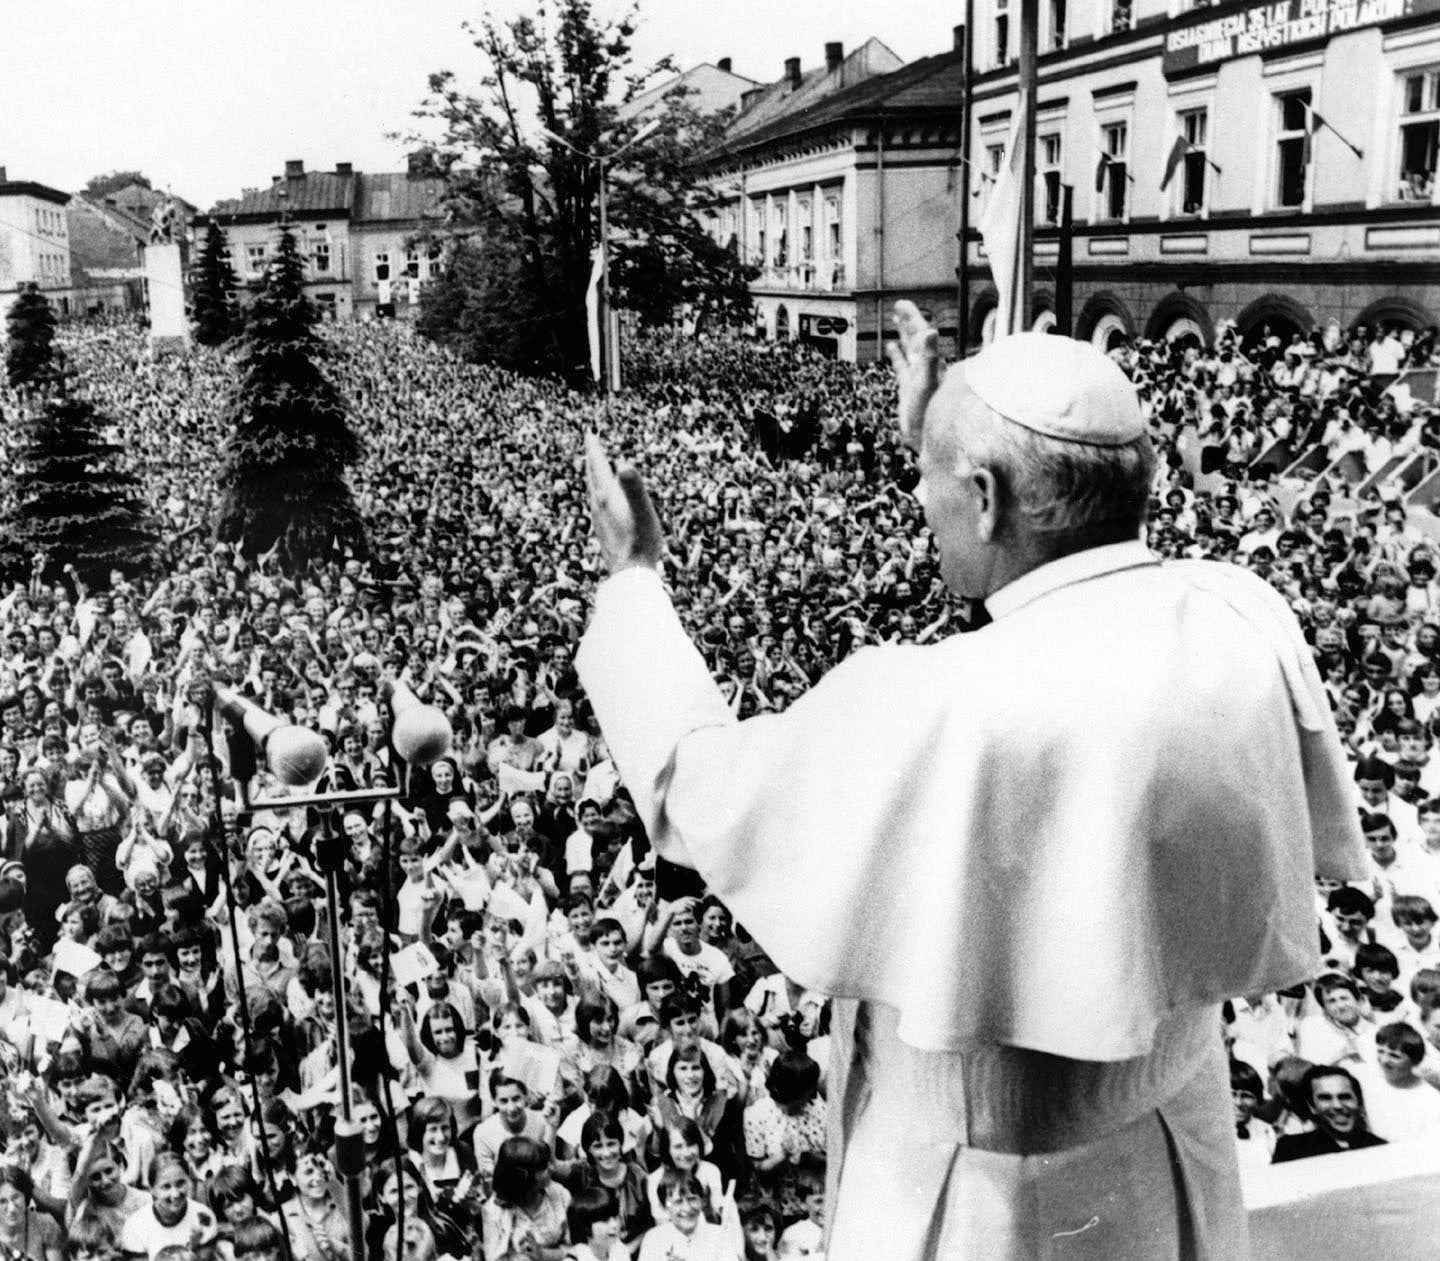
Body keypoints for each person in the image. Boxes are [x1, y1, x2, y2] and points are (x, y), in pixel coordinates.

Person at [577, 302, 1367, 1258]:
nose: (917, 500)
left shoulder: (925, 705)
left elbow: (693, 787)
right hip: (1168, 1160)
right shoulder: (1246, 621)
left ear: (987, 498)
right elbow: (1065, 634)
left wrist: (632, 582)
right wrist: (947, 432)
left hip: (979, 1203)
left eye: (926, 479)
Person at [1270, 1065, 1388, 1162]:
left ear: (1359, 1102)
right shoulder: (1292, 1150)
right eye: (1325, 1098)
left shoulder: (1381, 1148)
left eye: (1345, 1097)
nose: (1337, 1106)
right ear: (1312, 1106)